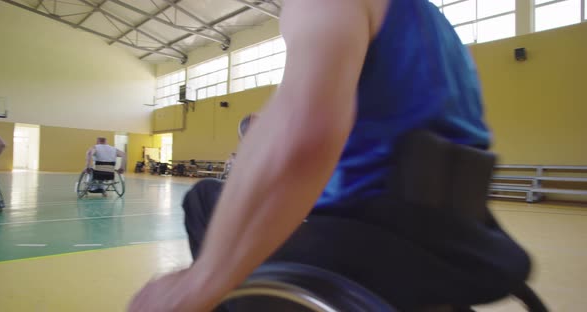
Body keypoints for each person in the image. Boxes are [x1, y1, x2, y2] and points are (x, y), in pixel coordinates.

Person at [129, 1, 531, 311]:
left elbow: (306, 137)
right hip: (464, 237)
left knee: (204, 199)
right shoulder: (430, 22)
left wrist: (202, 280)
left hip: (377, 238)